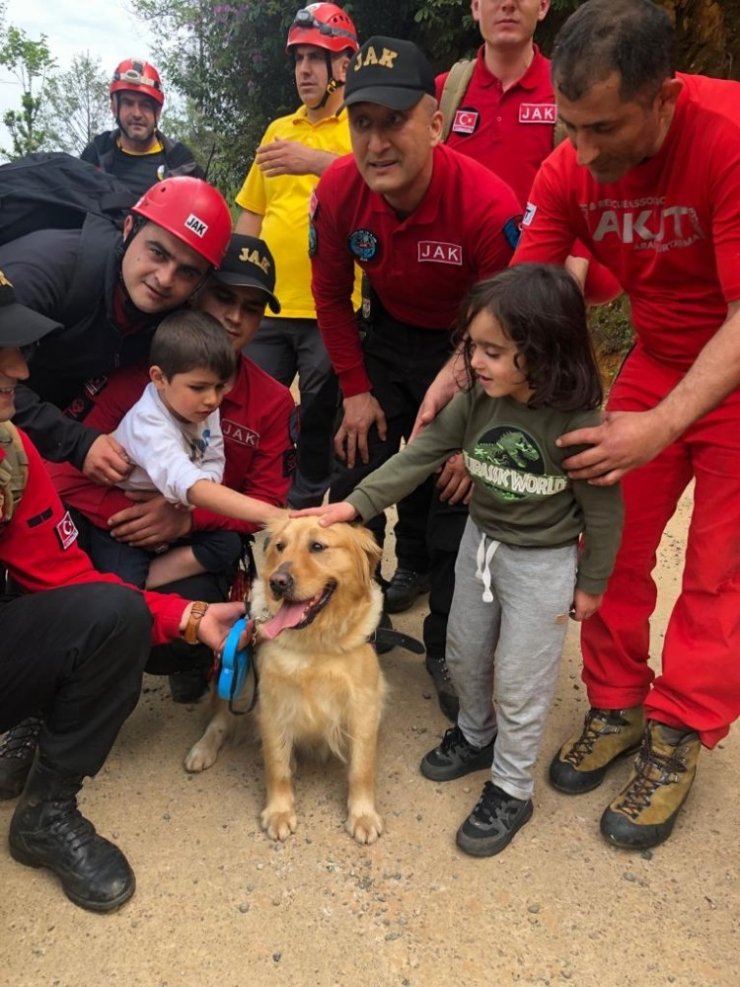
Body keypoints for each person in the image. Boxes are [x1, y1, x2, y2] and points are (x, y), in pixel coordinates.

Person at [497, 0, 740, 849]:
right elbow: (521, 307)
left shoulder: (729, 135)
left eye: (603, 127)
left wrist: (661, 425)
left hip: (733, 363)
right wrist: (466, 391)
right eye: (571, 126)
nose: (584, 151)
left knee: (720, 568)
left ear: (665, 97)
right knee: (610, 534)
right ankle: (619, 704)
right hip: (663, 356)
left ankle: (678, 735)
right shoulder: (570, 167)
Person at [296, 264, 623, 856]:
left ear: (543, 351)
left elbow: (603, 510)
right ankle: (476, 735)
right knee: (466, 652)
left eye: (493, 351)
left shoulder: (579, 423)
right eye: (473, 345)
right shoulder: (475, 399)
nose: (474, 361)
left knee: (522, 680)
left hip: (543, 565)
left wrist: (591, 580)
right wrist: (351, 506)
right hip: (481, 543)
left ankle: (512, 787)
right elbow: (419, 455)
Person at [0, 271, 251, 911]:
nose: (22, 371)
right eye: (0, 350)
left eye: (20, 347)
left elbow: (72, 584)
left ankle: (45, 816)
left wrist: (192, 617)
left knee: (111, 612)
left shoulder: (13, 453)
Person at [310, 35, 522, 652]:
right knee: (356, 466)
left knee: (459, 484)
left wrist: (474, 435)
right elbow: (330, 297)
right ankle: (355, 624)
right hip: (388, 334)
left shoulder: (488, 206)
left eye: (395, 122)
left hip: (475, 344)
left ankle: (446, 648)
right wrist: (354, 389)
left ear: (434, 125)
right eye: (363, 123)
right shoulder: (338, 193)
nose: (377, 144)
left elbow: (508, 330)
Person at [41, 235, 295, 705]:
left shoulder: (274, 401)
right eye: (224, 296)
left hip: (198, 537)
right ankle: (62, 691)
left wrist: (185, 515)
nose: (235, 317)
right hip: (117, 528)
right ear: (197, 292)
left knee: (212, 568)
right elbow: (63, 474)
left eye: (253, 308)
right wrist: (127, 512)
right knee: (86, 582)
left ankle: (188, 654)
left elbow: (268, 504)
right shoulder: (138, 376)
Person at [0, 175, 232, 481]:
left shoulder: (174, 312)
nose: (164, 278)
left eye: (187, 272)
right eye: (158, 253)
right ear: (128, 229)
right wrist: (78, 443)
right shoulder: (46, 270)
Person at [234, 3, 361, 509]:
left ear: (344, 65)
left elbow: (379, 187)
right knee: (244, 413)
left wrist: (314, 162)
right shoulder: (277, 129)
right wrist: (237, 289)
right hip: (268, 308)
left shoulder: (362, 125)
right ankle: (245, 514)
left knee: (316, 428)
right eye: (298, 59)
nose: (303, 70)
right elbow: (251, 212)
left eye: (316, 57)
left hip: (330, 310)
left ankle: (307, 518)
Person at [81, 58, 204, 198]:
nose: (137, 114)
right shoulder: (94, 156)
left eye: (145, 105)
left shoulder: (181, 166)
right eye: (128, 103)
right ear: (115, 108)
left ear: (157, 112)